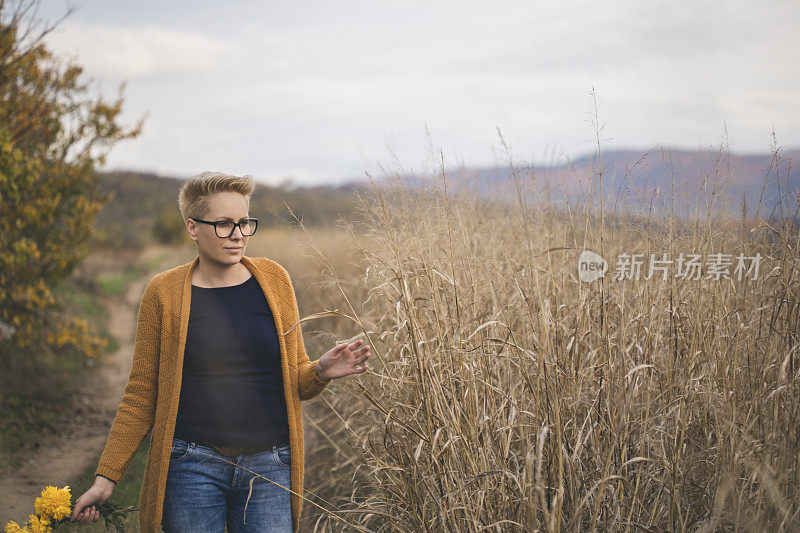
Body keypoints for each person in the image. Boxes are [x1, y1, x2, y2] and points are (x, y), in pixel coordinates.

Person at [69, 172, 370, 532]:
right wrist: (107, 477)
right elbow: (141, 394)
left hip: (270, 467)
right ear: (193, 228)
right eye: (224, 224)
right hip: (191, 467)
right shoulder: (163, 293)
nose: (238, 234)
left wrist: (320, 370)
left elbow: (297, 383)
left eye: (244, 222)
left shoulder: (274, 281)